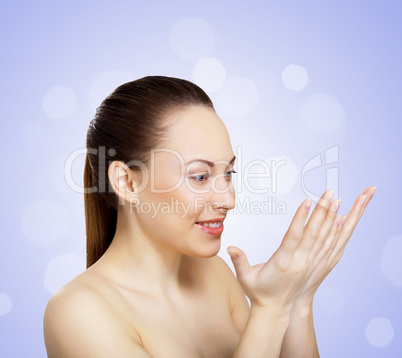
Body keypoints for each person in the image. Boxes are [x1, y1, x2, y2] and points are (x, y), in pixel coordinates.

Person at [43, 75, 376, 357]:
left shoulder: (213, 273)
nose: (228, 199)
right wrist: (270, 310)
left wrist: (298, 299)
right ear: (127, 182)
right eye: (200, 177)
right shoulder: (78, 312)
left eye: (229, 173)